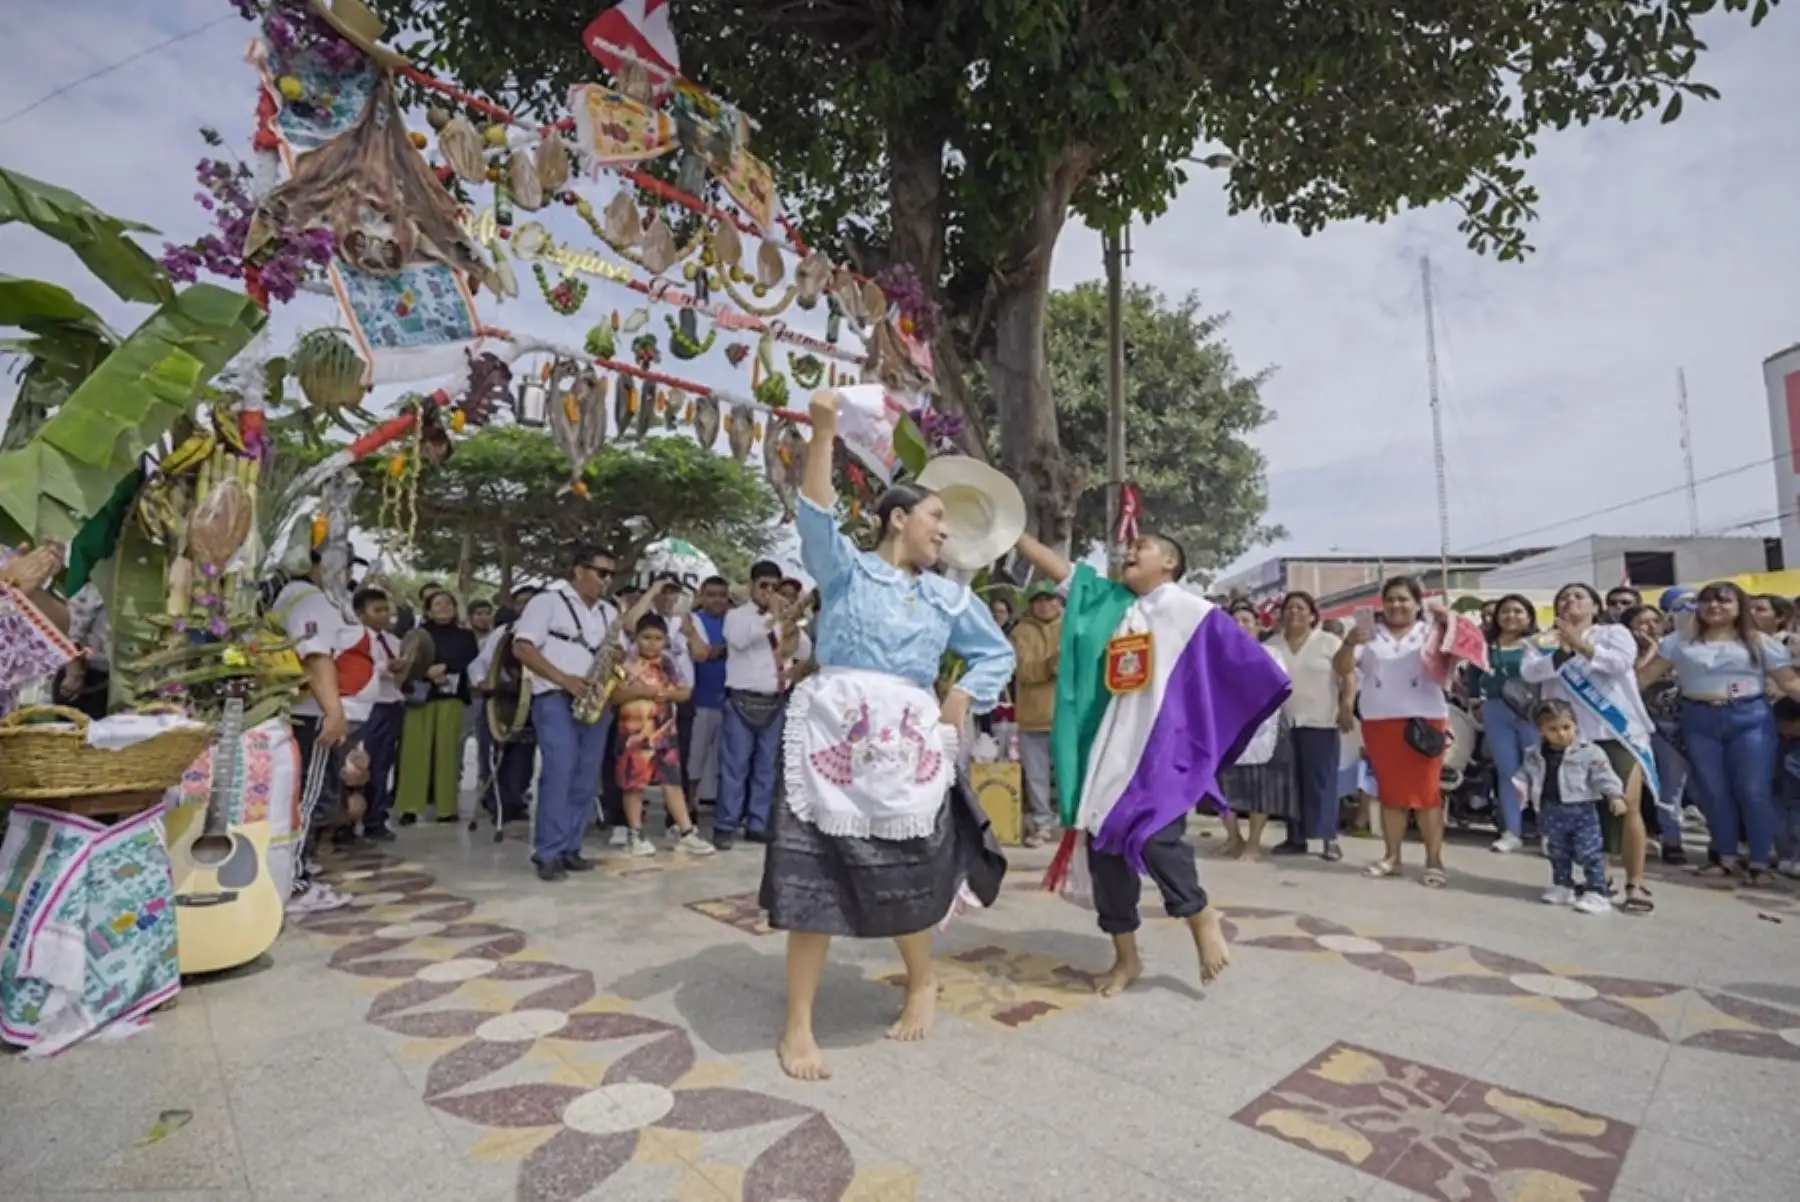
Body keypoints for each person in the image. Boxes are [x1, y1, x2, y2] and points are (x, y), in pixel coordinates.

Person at [764, 390, 1014, 1082]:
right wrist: (822, 434)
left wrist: (960, 696)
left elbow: (998, 654)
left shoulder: (949, 596)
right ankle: (798, 1024)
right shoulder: (846, 572)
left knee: (911, 871)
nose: (944, 532)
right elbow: (815, 520)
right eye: (936, 518)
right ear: (898, 518)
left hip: (907, 747)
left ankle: (922, 980)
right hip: (832, 741)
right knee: (811, 876)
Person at [1015, 528, 1288, 999]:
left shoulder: (1192, 611)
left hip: (1160, 751)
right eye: (1128, 549)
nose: (1129, 552)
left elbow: (1252, 666)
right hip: (1106, 751)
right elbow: (1058, 569)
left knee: (1159, 839)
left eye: (1142, 549)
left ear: (1169, 564)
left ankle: (1198, 913)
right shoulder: (1106, 599)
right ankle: (1126, 958)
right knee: (1106, 857)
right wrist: (1007, 531)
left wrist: (1206, 726)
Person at [1639, 581, 1800, 888]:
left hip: (1750, 719)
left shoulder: (1760, 642)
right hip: (1699, 719)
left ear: (1739, 606)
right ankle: (1725, 858)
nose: (1714, 607)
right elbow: (1644, 679)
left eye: (1724, 601)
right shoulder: (1678, 641)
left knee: (1754, 792)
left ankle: (1759, 861)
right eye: (1707, 601)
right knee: (1714, 792)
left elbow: (1790, 683)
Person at [1522, 582, 1659, 913]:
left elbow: (1620, 664)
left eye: (1579, 596)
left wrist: (1580, 645)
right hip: (1571, 741)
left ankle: (1635, 883)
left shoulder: (1614, 633)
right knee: (1585, 814)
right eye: (1564, 597)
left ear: (1596, 606)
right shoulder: (1542, 641)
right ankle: (1599, 881)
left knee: (1625, 805)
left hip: (1614, 731)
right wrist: (1561, 650)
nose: (1570, 600)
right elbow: (1530, 672)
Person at [510, 546, 630, 881]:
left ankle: (570, 847)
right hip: (555, 697)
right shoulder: (546, 602)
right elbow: (522, 646)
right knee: (559, 771)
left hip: (595, 701)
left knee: (584, 776)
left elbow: (617, 650)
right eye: (601, 573)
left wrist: (616, 657)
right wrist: (564, 678)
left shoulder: (609, 612)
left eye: (610, 575)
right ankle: (547, 852)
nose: (606, 581)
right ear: (579, 570)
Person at [1334, 577, 1454, 887]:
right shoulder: (1368, 634)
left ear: (1417, 603)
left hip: (1425, 718)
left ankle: (1434, 860)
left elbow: (1459, 654)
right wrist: (1349, 642)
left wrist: (1449, 622)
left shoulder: (1432, 632)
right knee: (1390, 794)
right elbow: (1342, 668)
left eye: (1403, 599)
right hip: (1380, 720)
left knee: (1427, 793)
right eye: (1390, 600)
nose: (1396, 605)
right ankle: (1392, 857)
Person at [272, 551, 354, 914]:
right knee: (307, 800)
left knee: (299, 798)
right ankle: (296, 883)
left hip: (298, 711)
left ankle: (292, 871)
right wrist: (333, 711)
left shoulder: (283, 598)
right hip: (312, 714)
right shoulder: (311, 600)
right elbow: (316, 654)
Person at [715, 560, 811, 850]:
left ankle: (757, 823)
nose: (769, 592)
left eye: (774, 587)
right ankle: (725, 824)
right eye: (763, 586)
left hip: (775, 700)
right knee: (735, 766)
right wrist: (769, 619)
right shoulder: (736, 616)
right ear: (751, 586)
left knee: (766, 767)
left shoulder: (784, 617)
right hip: (741, 699)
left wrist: (790, 623)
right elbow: (740, 641)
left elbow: (805, 651)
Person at [614, 613, 715, 857]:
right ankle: (635, 832)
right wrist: (640, 691)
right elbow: (613, 696)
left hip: (664, 732)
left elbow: (685, 692)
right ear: (636, 638)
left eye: (658, 638)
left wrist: (668, 695)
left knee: (672, 782)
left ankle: (686, 831)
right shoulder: (624, 663)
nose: (651, 643)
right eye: (646, 637)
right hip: (634, 734)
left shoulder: (668, 663)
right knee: (634, 784)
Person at [1266, 590, 1354, 862]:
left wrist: (1347, 704)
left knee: (1322, 781)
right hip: (1283, 722)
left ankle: (1329, 838)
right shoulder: (1271, 645)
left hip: (1321, 720)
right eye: (1289, 608)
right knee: (1290, 782)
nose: (1294, 612)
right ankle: (1296, 838)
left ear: (1313, 615)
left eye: (1301, 608)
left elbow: (1348, 674)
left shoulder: (1329, 642)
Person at [1515, 700, 1626, 914]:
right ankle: (1562, 885)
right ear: (1541, 731)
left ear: (1575, 725)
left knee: (1589, 851)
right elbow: (1525, 774)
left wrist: (1614, 795)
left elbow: (1603, 775)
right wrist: (1520, 788)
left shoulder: (1589, 752)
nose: (1561, 734)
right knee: (1557, 851)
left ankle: (1597, 891)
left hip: (1581, 810)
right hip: (1550, 808)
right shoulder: (1534, 753)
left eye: (1566, 727)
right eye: (1553, 729)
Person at [1217, 601, 1298, 860]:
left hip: (1265, 727)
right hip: (1227, 727)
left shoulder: (1271, 653)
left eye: (1246, 621)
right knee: (1223, 787)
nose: (1240, 626)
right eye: (1234, 621)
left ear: (1257, 626)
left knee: (1262, 787)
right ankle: (1233, 838)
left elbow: (1279, 687)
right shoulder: (1217, 654)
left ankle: (1253, 843)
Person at [397, 590, 479, 825]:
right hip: (420, 698)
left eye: (447, 603)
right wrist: (427, 672)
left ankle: (446, 808)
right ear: (428, 609)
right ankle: (410, 807)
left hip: (450, 697)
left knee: (448, 753)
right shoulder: (417, 635)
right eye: (437, 604)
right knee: (414, 752)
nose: (442, 608)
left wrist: (446, 667)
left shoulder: (465, 636)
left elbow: (470, 658)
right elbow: (407, 659)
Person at [1622, 603, 1692, 866]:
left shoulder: (1681, 646)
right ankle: (1671, 839)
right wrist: (1653, 650)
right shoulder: (1624, 652)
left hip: (1689, 723)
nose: (1650, 627)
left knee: (1700, 788)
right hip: (1654, 727)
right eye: (1642, 622)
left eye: (1655, 621)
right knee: (1668, 787)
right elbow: (1635, 684)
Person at [1473, 594, 1541, 854]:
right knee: (1507, 771)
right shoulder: (1486, 646)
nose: (1511, 616)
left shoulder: (1538, 644)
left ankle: (1547, 830)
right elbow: (1473, 673)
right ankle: (1512, 830)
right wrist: (1474, 701)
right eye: (1505, 612)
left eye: (1518, 611)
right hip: (1495, 710)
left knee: (1538, 769)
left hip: (1532, 713)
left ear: (1529, 616)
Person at [343, 586, 405, 843]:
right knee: (358, 766)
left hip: (392, 704)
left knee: (382, 765)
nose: (383, 615)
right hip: (368, 707)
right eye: (376, 610)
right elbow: (357, 668)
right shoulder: (354, 639)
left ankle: (375, 819)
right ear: (360, 613)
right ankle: (345, 823)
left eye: (385, 610)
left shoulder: (394, 641)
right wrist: (385, 667)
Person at [1010, 580, 1063, 846]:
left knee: (1070, 773)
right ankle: (1042, 824)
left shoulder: (1072, 626)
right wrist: (1049, 665)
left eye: (1051, 599)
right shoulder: (1020, 632)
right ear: (1031, 604)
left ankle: (1073, 828)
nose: (1046, 605)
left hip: (1068, 715)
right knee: (1036, 775)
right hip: (1032, 715)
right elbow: (1022, 671)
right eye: (1039, 600)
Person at [685, 576, 732, 811]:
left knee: (726, 760)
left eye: (722, 595)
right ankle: (688, 806)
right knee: (695, 756)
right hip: (699, 699)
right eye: (711, 594)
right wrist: (727, 649)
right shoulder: (693, 620)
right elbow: (705, 653)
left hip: (729, 701)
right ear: (702, 596)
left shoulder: (734, 620)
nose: (717, 600)